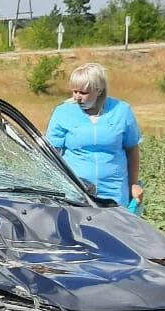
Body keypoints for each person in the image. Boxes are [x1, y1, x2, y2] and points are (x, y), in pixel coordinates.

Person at [46, 62, 144, 208]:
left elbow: (132, 149)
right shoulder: (62, 113)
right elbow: (51, 154)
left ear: (98, 90)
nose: (77, 97)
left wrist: (134, 184)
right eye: (74, 92)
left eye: (83, 93)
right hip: (77, 191)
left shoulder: (122, 111)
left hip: (114, 190)